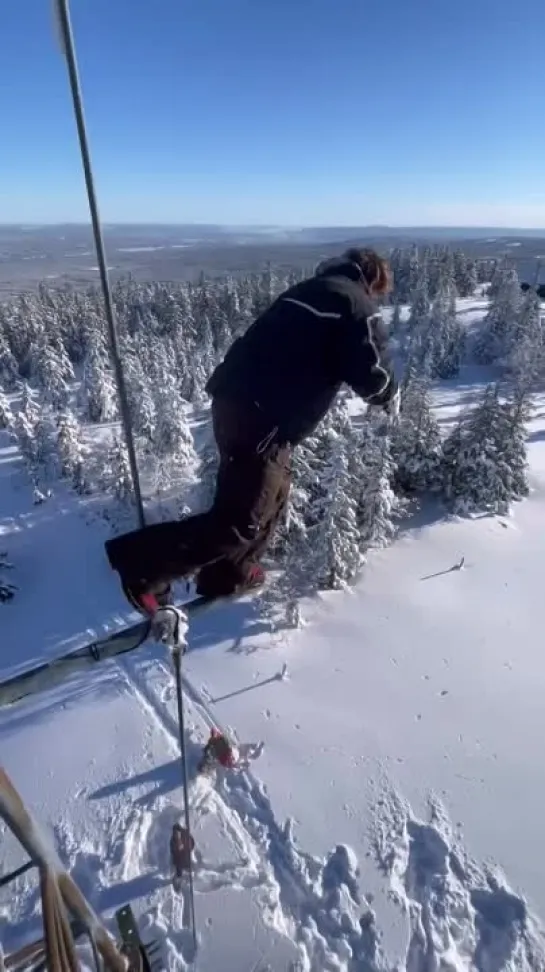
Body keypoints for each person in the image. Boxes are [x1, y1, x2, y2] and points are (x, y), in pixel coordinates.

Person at [105, 247, 400, 615]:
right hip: (261, 417)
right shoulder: (355, 304)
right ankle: (141, 565)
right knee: (240, 518)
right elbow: (374, 379)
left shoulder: (306, 291)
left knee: (274, 491)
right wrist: (391, 394)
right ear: (372, 279)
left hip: (239, 404)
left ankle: (228, 573)